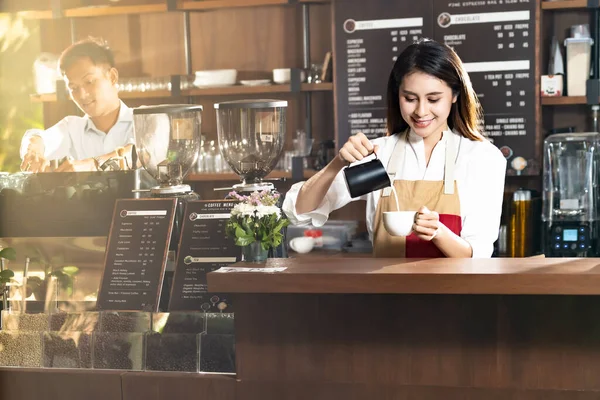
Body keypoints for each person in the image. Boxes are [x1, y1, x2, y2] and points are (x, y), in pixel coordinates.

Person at [283, 39, 507, 258]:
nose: (421, 111)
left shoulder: (482, 158)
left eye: (433, 99)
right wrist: (337, 163)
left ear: (455, 95)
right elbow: (300, 212)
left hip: (454, 293)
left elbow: (478, 254)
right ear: (397, 95)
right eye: (410, 98)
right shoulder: (381, 155)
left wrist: (439, 233)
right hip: (387, 293)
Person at [20, 37, 134, 173]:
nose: (82, 95)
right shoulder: (72, 128)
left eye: (89, 82)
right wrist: (34, 149)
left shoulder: (145, 121)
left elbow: (139, 154)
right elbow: (38, 138)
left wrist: (93, 165)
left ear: (112, 77)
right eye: (74, 88)